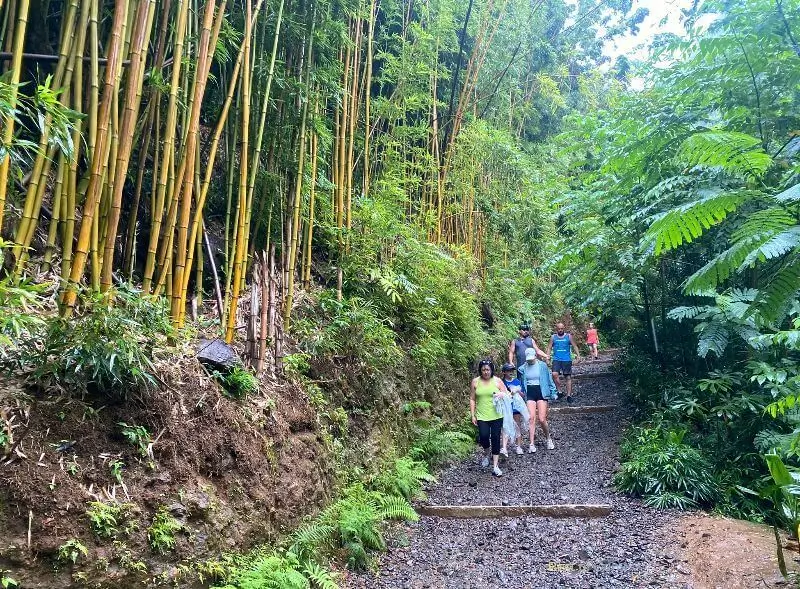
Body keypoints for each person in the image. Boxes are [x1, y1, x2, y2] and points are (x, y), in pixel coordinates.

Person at [470, 359, 506, 477]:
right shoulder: (475, 382)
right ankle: (487, 454)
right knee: (484, 436)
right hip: (482, 415)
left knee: (495, 438)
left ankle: (495, 466)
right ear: (480, 370)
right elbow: (472, 398)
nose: (486, 372)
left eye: (488, 369)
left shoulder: (497, 381)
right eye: (484, 369)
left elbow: (507, 393)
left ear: (492, 370)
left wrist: (502, 394)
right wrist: (472, 414)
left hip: (497, 415)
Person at [518, 348, 557, 452]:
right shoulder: (522, 368)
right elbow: (521, 383)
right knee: (531, 418)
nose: (530, 361)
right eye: (528, 359)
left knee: (542, 418)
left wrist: (553, 392)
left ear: (535, 356)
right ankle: (531, 444)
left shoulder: (542, 366)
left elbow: (549, 379)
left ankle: (548, 438)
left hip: (541, 391)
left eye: (532, 358)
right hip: (530, 392)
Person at [547, 322, 581, 404]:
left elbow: (575, 346)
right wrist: (547, 357)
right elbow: (549, 347)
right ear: (556, 329)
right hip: (556, 359)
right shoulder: (553, 337)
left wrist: (578, 356)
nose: (560, 330)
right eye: (559, 329)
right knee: (554, 374)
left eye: (562, 328)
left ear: (564, 328)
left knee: (568, 377)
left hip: (566, 359)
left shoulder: (568, 336)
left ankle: (569, 395)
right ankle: (559, 391)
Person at [499, 363, 524, 456]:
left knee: (517, 425)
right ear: (504, 372)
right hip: (506, 406)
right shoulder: (501, 382)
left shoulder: (517, 381)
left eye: (512, 370)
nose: (511, 372)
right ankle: (504, 448)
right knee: (505, 426)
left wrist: (517, 391)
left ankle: (518, 446)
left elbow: (523, 395)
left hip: (516, 406)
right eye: (509, 371)